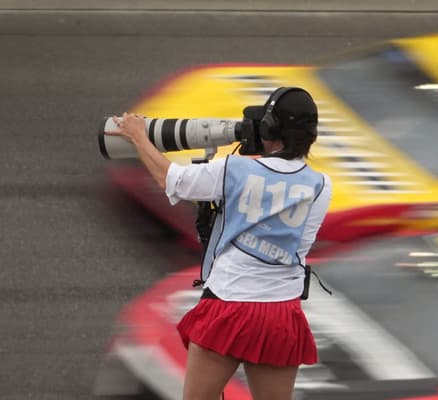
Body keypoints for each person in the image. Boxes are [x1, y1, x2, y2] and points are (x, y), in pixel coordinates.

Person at [106, 87, 332, 400]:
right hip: (281, 314)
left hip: (230, 305)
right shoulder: (322, 186)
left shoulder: (234, 169)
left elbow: (173, 181)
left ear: (269, 129)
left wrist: (139, 136)